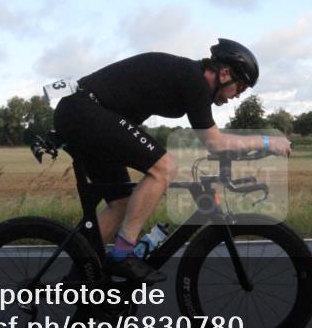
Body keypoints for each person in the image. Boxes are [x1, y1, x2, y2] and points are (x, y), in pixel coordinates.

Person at [52, 39, 292, 282]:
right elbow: (215, 143)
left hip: (83, 113)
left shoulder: (193, 80)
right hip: (84, 111)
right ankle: (121, 255)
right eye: (240, 87)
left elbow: (212, 141)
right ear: (225, 73)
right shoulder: (194, 81)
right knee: (164, 167)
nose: (238, 95)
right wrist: (266, 142)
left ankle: (79, 279)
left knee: (121, 203)